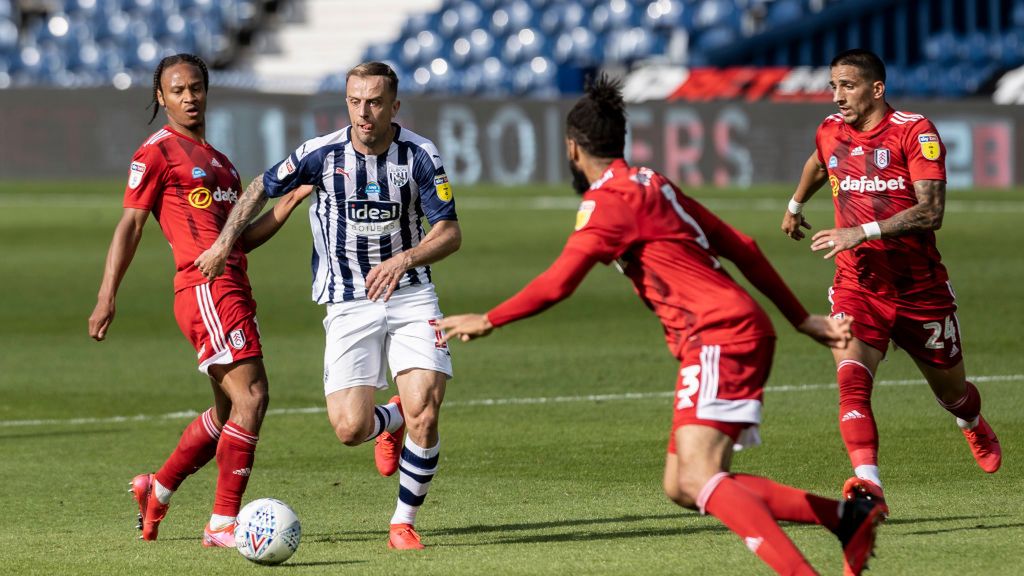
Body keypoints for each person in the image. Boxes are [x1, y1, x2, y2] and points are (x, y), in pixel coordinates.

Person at [440, 75, 884, 576]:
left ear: (572, 148)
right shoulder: (652, 182)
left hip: (720, 335)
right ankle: (847, 519)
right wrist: (800, 319)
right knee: (682, 483)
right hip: (723, 333)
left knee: (699, 478)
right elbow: (743, 246)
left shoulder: (607, 203)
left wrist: (490, 318)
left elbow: (559, 282)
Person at [195, 61, 460, 550]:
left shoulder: (420, 155)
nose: (365, 112)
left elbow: (449, 231)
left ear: (394, 106)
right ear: (347, 103)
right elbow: (260, 186)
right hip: (346, 301)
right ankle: (390, 419)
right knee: (349, 427)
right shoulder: (320, 153)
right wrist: (222, 243)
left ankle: (403, 522)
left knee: (427, 410)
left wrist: (406, 258)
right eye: (356, 101)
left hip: (410, 293)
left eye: (375, 102)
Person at [88, 53, 310, 547]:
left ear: (207, 92)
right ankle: (222, 524)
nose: (189, 97)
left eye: (196, 88)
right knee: (253, 397)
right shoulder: (157, 152)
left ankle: (157, 488)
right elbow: (130, 224)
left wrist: (289, 202)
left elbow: (239, 239)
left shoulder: (222, 164)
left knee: (230, 412)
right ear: (160, 97)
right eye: (178, 90)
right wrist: (107, 296)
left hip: (232, 283)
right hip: (205, 288)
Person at [780, 49, 1001, 512]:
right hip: (858, 285)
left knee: (954, 394)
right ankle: (870, 485)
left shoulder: (914, 131)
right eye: (833, 86)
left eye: (848, 86)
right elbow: (819, 163)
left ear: (876, 89)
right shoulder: (830, 131)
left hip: (920, 289)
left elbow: (931, 211)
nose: (837, 96)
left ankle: (971, 421)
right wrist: (796, 204)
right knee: (852, 381)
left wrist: (862, 230)